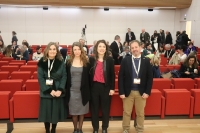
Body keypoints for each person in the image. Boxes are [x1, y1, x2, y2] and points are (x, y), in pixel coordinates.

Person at [118, 40, 153, 133]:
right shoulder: (126, 60)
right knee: (126, 112)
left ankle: (140, 129)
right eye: (132, 48)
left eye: (136, 47)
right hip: (127, 92)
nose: (134, 49)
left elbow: (150, 78)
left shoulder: (146, 61)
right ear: (130, 49)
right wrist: (121, 92)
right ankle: (125, 129)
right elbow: (121, 77)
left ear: (140, 47)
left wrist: (147, 92)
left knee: (140, 113)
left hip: (141, 92)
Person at [37, 42, 67, 133]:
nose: (52, 51)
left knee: (55, 112)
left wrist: (60, 90)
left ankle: (53, 129)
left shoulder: (60, 61)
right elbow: (40, 78)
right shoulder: (42, 62)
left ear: (56, 51)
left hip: (57, 89)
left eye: (54, 49)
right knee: (46, 112)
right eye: (50, 49)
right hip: (46, 90)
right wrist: (49, 90)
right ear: (47, 50)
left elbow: (64, 76)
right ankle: (47, 130)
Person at [89, 40, 115, 133]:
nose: (102, 48)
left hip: (106, 87)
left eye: (103, 47)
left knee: (105, 109)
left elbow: (112, 75)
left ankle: (104, 128)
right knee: (94, 109)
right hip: (94, 87)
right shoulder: (91, 59)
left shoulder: (110, 60)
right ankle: (95, 128)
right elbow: (89, 75)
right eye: (100, 46)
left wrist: (112, 88)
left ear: (106, 48)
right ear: (96, 48)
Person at [66, 42, 90, 133]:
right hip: (72, 90)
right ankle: (75, 129)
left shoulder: (86, 62)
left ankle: (80, 129)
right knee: (74, 112)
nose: (77, 51)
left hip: (83, 90)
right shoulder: (68, 62)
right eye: (75, 49)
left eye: (78, 49)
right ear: (72, 50)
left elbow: (88, 77)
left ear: (82, 50)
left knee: (82, 112)